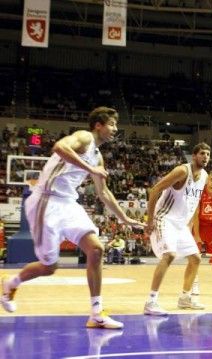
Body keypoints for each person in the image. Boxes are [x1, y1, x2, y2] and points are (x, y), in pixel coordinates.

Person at [0, 106, 144, 329]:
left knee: (96, 249)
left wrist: (124, 217)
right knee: (49, 267)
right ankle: (11, 283)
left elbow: (103, 193)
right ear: (98, 125)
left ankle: (96, 313)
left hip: (68, 203)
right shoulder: (85, 137)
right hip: (45, 201)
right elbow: (59, 147)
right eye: (112, 124)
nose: (116, 129)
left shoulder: (98, 157)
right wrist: (90, 168)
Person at [143, 143, 211, 316]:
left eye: (208, 154)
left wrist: (189, 225)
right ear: (194, 156)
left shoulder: (204, 176)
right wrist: (150, 220)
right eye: (202, 153)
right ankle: (151, 302)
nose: (206, 157)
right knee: (170, 255)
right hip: (164, 218)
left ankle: (185, 298)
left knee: (195, 259)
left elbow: (194, 203)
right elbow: (155, 189)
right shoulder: (182, 171)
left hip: (181, 224)